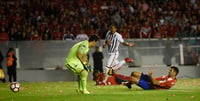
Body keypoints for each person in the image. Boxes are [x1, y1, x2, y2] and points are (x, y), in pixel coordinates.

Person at [109, 66, 179, 90]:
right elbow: (155, 79)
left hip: (151, 86)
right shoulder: (167, 76)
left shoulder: (170, 82)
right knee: (134, 73)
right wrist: (149, 77)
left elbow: (154, 83)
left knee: (133, 78)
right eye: (169, 70)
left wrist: (150, 75)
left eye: (170, 71)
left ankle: (114, 74)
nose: (169, 71)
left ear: (174, 73)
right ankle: (129, 84)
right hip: (150, 80)